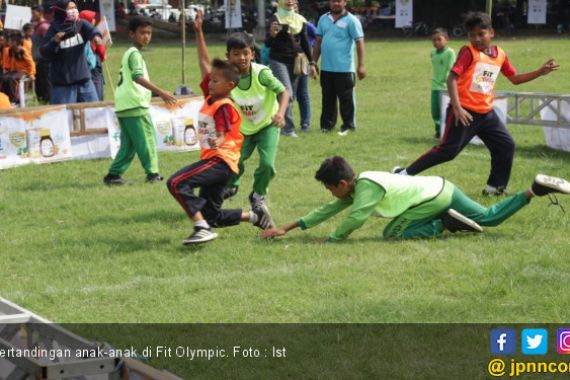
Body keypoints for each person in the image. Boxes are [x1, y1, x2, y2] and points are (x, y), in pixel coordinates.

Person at [393, 12, 559, 196]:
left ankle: (495, 188)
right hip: (464, 112)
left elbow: (515, 78)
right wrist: (457, 107)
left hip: (486, 114)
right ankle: (403, 173)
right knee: (447, 151)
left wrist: (540, 71)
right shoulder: (468, 52)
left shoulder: (500, 55)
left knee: (506, 145)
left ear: (492, 33)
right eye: (473, 35)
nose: (477, 39)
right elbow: (452, 79)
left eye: (481, 34)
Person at [261, 156, 570, 242]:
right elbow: (328, 210)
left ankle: (444, 225)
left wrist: (333, 240)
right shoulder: (357, 186)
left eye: (330, 188)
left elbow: (355, 219)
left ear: (341, 183)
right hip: (442, 186)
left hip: (433, 199)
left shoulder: (365, 188)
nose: (331, 195)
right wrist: (287, 229)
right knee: (490, 217)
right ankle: (535, 189)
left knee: (392, 232)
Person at [167, 58, 274, 245]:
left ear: (230, 85)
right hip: (221, 163)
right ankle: (256, 216)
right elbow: (204, 64)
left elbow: (223, 131)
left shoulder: (223, 105)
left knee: (176, 183)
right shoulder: (211, 99)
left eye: (215, 81)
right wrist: (199, 32)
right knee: (212, 216)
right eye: (210, 80)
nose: (210, 83)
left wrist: (220, 139)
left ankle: (201, 228)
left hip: (220, 161)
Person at [193, 11, 289, 218]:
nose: (242, 58)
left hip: (266, 124)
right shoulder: (226, 77)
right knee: (232, 162)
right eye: (236, 54)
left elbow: (284, 92)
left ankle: (258, 195)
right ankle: (231, 186)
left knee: (267, 164)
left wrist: (280, 114)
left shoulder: (261, 73)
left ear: (253, 53)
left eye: (246, 53)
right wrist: (199, 32)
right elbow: (204, 64)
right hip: (241, 130)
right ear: (228, 56)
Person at [103, 16, 177, 186]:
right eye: (142, 33)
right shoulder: (134, 54)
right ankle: (153, 174)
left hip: (125, 105)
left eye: (149, 33)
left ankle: (113, 175)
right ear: (131, 34)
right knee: (147, 139)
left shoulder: (130, 53)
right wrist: (161, 92)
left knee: (129, 145)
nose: (146, 36)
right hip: (135, 105)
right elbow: (137, 77)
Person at [312, 0, 366, 136]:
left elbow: (359, 43)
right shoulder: (323, 19)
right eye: (333, 1)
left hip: (344, 69)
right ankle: (326, 126)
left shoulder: (352, 20)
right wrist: (313, 62)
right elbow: (318, 42)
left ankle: (348, 126)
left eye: (339, 1)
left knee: (346, 100)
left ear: (345, 2)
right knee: (327, 99)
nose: (336, 3)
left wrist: (361, 66)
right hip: (326, 68)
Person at [265, 0, 316, 137]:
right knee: (286, 92)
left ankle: (279, 124)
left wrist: (312, 63)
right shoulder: (274, 18)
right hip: (278, 61)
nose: (289, 1)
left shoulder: (300, 20)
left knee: (290, 95)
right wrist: (272, 35)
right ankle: (288, 130)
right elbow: (267, 43)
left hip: (295, 62)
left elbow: (305, 42)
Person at [40, 0, 103, 104]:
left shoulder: (80, 24)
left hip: (84, 81)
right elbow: (44, 52)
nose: (74, 11)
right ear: (61, 11)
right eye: (70, 8)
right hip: (63, 85)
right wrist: (54, 42)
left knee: (93, 113)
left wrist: (96, 37)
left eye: (75, 8)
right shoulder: (53, 29)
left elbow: (92, 30)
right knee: (64, 117)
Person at [430, 27, 455, 139]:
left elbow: (451, 68)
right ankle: (438, 131)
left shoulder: (450, 52)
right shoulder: (432, 53)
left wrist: (446, 80)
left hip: (445, 88)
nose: (436, 42)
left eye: (439, 39)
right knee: (434, 111)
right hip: (434, 86)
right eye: (434, 40)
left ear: (446, 39)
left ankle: (447, 131)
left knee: (445, 111)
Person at [79, 10, 107, 101]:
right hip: (94, 66)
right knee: (97, 86)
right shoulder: (92, 33)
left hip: (83, 66)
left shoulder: (79, 32)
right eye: (92, 18)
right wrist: (103, 57)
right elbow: (101, 49)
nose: (94, 20)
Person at [1, 32, 36, 104]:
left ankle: (14, 99)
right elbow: (11, 63)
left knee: (11, 79)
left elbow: (31, 63)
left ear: (14, 42)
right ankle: (6, 98)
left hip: (24, 71)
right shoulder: (11, 50)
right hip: (15, 71)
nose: (8, 43)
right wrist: (7, 71)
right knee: (3, 77)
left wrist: (32, 73)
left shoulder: (22, 51)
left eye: (9, 41)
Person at [296, 19, 317, 132]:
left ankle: (305, 123)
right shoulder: (279, 20)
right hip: (284, 60)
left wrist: (311, 44)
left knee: (302, 93)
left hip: (301, 60)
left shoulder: (303, 22)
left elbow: (317, 35)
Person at [31, 6, 52, 103]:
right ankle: (43, 102)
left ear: (40, 13)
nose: (32, 15)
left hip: (44, 61)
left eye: (34, 13)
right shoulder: (37, 26)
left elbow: (50, 42)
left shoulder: (44, 27)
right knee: (40, 85)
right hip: (38, 61)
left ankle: (49, 103)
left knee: (46, 84)